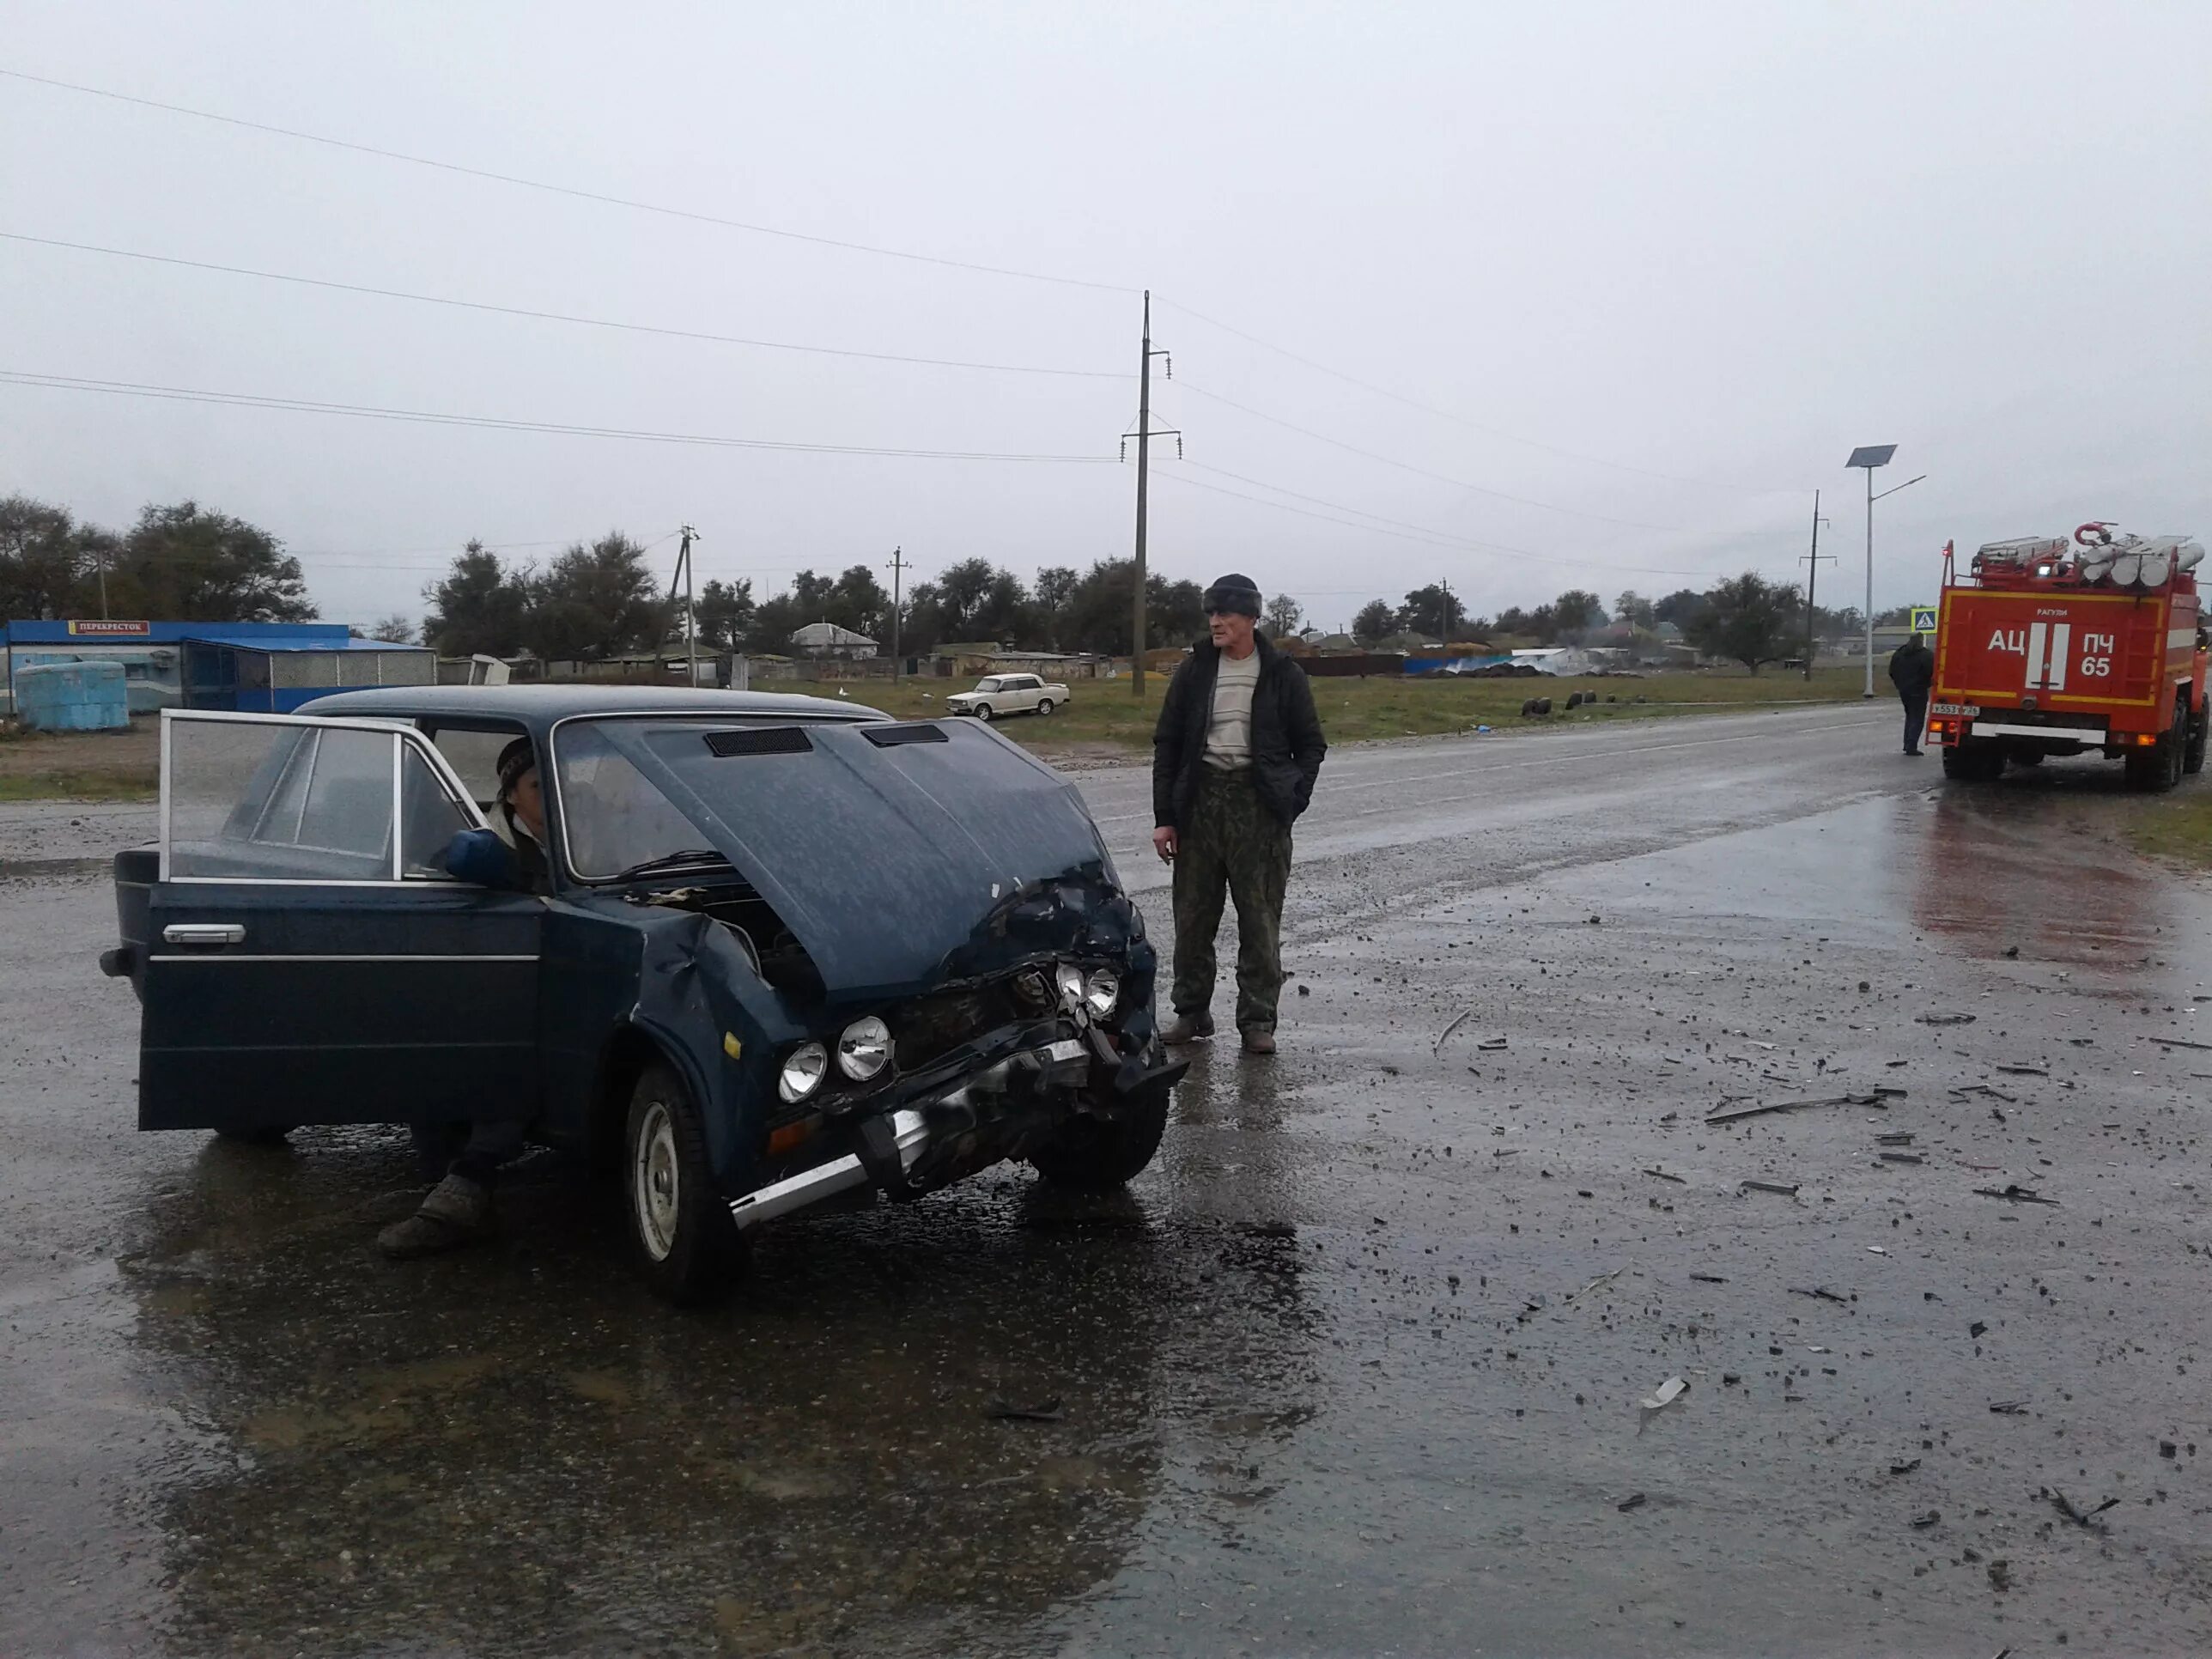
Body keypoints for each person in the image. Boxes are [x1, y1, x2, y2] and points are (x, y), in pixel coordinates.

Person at [378, 738, 545, 1257]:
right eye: (541, 787)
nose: (562, 797)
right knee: (468, 1049)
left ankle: (462, 1188)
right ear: (512, 797)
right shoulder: (491, 845)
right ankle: (458, 1191)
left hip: (561, 979)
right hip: (496, 984)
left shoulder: (599, 831)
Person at [1152, 573, 1327, 1055]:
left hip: (1260, 808)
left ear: (1251, 618)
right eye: (1211, 613)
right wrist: (1165, 816)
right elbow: (1167, 744)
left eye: (1225, 613)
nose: (1216, 622)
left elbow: (1311, 745)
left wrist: (1291, 799)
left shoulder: (1282, 673)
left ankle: (1257, 1021)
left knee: (1260, 920)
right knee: (1192, 918)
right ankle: (1191, 1013)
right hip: (1200, 805)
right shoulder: (1194, 671)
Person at [1888, 632, 1935, 757]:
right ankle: (1911, 745)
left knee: (1910, 716)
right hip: (1919, 690)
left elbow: (1892, 671)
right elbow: (1932, 672)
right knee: (1917, 718)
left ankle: (1907, 743)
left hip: (1904, 690)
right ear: (1920, 640)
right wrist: (1928, 683)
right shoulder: (1926, 655)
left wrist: (1900, 684)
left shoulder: (1899, 654)